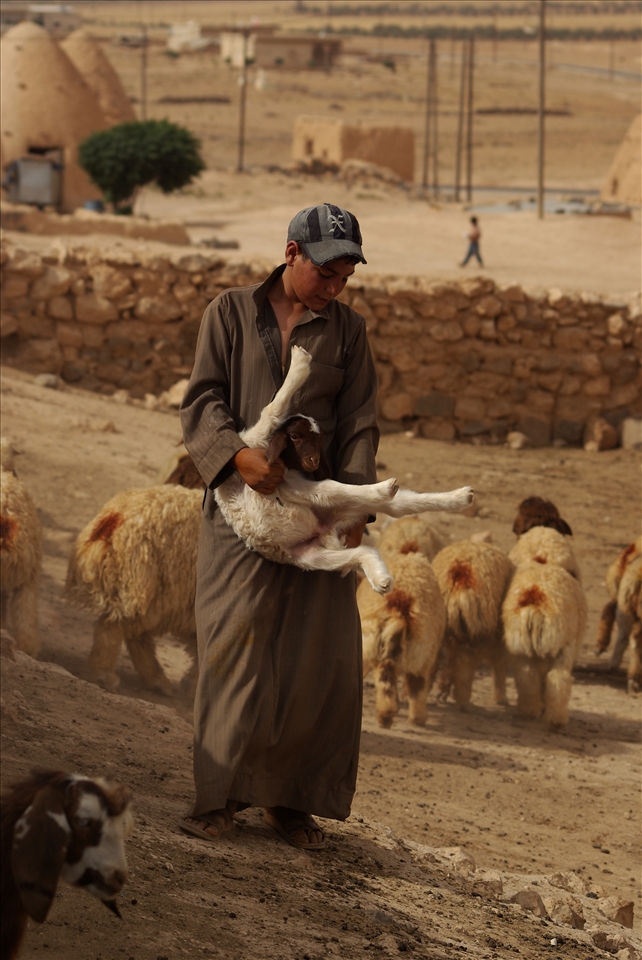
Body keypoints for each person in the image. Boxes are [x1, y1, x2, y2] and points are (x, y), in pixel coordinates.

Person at [178, 203, 379, 849]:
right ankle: (218, 796)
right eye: (326, 272)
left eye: (345, 277)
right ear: (292, 253)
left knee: (315, 660)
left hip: (316, 513)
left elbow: (361, 422)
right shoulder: (229, 313)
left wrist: (353, 506)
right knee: (233, 647)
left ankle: (291, 803)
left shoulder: (349, 332)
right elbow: (203, 399)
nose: (335, 287)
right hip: (240, 509)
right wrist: (237, 457)